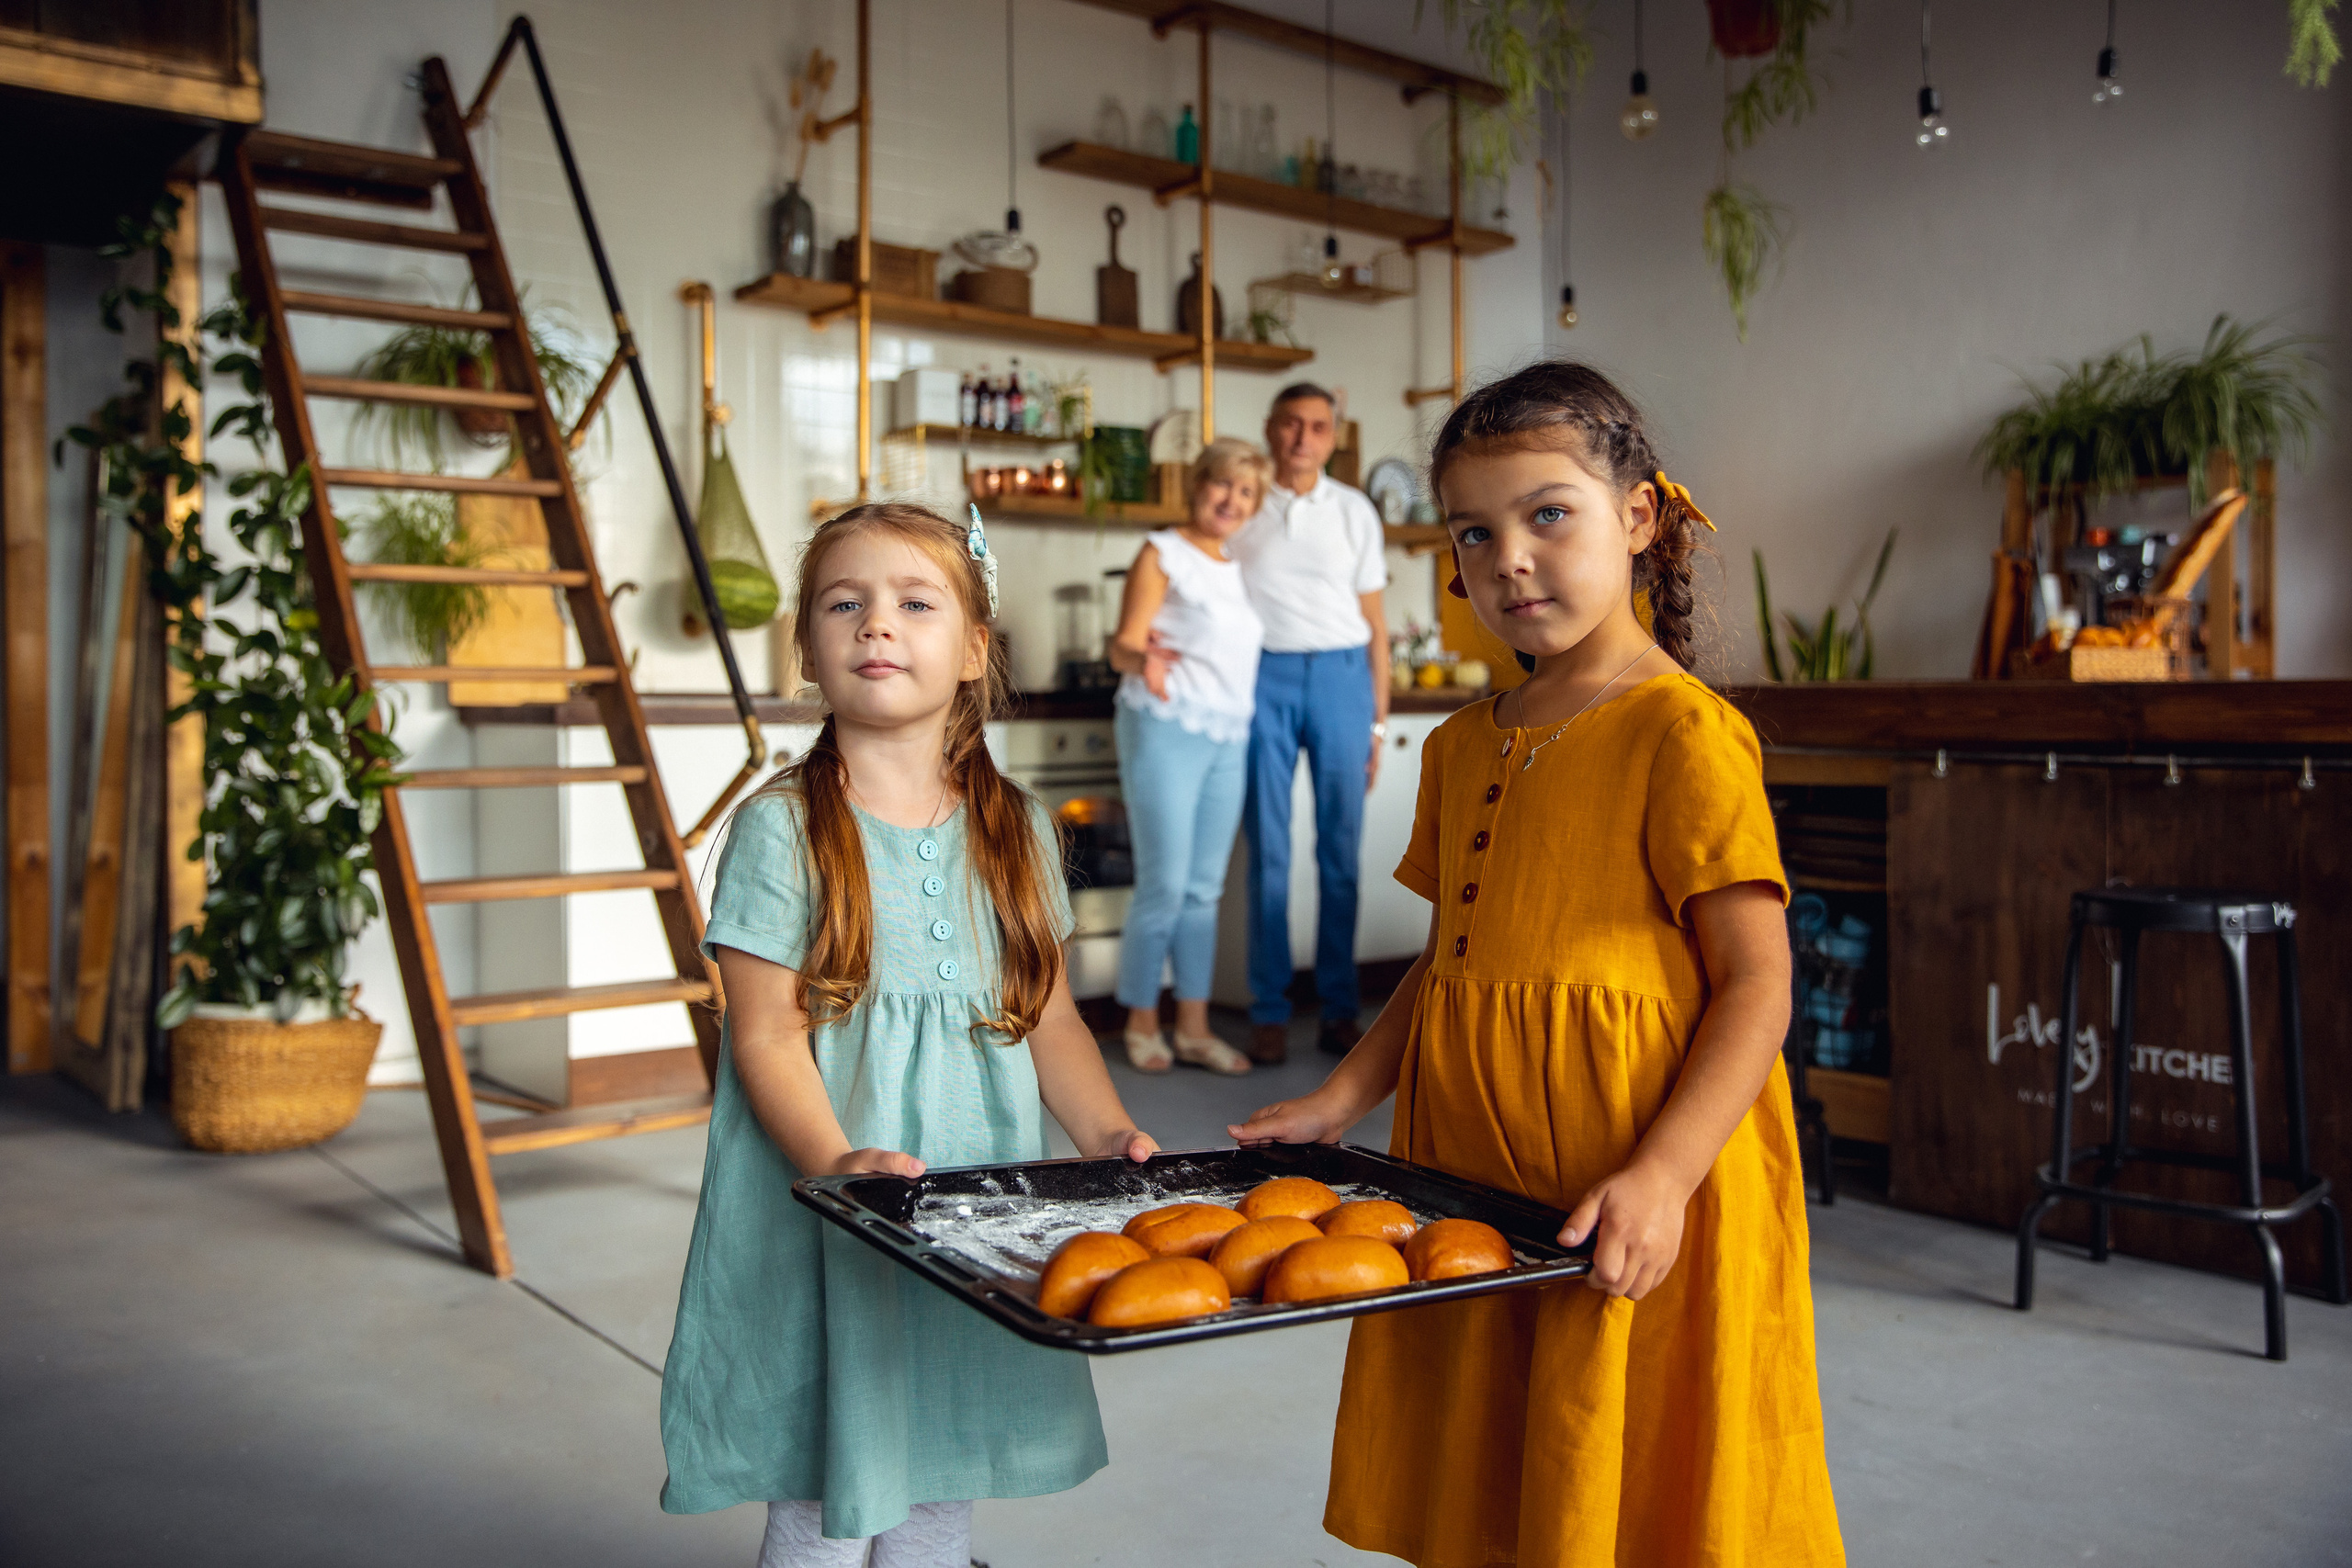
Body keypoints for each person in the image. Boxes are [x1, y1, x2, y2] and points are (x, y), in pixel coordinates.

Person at [1231, 363, 1844, 1567]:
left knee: (1625, 1458)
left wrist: (1663, 1174)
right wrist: (1342, 1094)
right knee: (1500, 1457)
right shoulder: (1462, 744)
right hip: (1467, 1166)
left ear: (1637, 517)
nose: (1508, 555)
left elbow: (1759, 983)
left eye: (1546, 514)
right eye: (1474, 530)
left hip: (1634, 1172)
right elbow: (1449, 961)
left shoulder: (1683, 733)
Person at [661, 502, 1160, 1568]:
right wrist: (835, 1164)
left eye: (914, 603)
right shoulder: (780, 827)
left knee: (942, 1450)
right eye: (845, 603)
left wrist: (1106, 1132)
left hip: (968, 1200)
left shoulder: (1014, 826)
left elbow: (1049, 1017)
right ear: (806, 647)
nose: (875, 625)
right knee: (825, 1475)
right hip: (834, 1199)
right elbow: (763, 1039)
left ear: (975, 648)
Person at [1227, 383, 1390, 1066]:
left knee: (1339, 853)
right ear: (1270, 428)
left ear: (1333, 435)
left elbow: (1378, 624)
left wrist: (1377, 725)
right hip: (1260, 677)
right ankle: (1268, 1009)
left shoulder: (1355, 512)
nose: (1303, 437)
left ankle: (1339, 1009)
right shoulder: (1239, 506)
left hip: (1342, 678)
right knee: (1268, 850)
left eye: (1317, 427)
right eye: (1291, 424)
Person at [1104, 437, 1270, 1077]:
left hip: (1230, 733)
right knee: (1165, 884)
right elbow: (1121, 643)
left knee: (1203, 890)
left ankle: (1194, 1027)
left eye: (1246, 491)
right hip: (1165, 724)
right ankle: (1142, 1020)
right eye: (1222, 484)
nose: (1231, 499)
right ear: (1198, 486)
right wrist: (1140, 657)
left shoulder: (1237, 569)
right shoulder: (1161, 552)